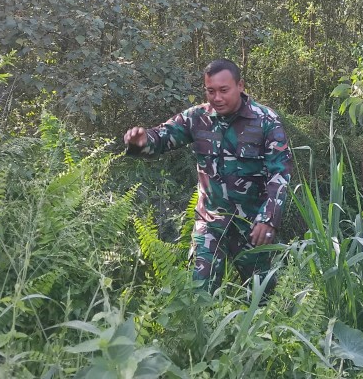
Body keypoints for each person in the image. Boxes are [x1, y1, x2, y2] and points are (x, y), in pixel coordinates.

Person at [123, 58, 292, 293]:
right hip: (210, 221)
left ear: (240, 85)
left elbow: (280, 174)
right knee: (200, 292)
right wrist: (142, 141)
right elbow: (162, 136)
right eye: (210, 91)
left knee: (261, 296)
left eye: (224, 90)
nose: (217, 98)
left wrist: (268, 218)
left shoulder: (265, 121)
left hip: (251, 225)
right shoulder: (196, 118)